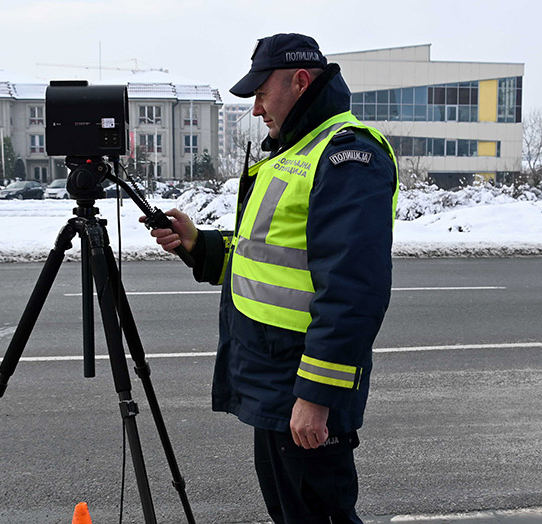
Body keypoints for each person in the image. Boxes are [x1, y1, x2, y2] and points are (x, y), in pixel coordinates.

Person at [144, 33, 398, 523]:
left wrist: (316, 396)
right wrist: (201, 245)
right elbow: (266, 258)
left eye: (261, 93)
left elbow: (353, 291)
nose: (257, 109)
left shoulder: (347, 156)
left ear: (300, 82)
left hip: (299, 384)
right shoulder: (294, 152)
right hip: (277, 379)